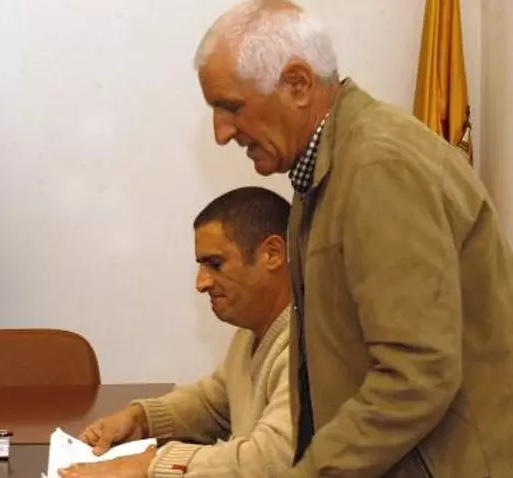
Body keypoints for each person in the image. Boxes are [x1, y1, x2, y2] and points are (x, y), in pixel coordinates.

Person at [194, 1, 513, 476]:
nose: (221, 133)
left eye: (231, 107)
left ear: (298, 84)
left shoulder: (378, 168)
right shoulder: (326, 169)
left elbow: (416, 375)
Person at [60, 187, 294, 478]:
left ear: (272, 254)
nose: (201, 283)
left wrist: (152, 464)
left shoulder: (308, 348)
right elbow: (213, 404)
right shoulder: (250, 334)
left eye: (215, 264)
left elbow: (269, 460)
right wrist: (140, 419)